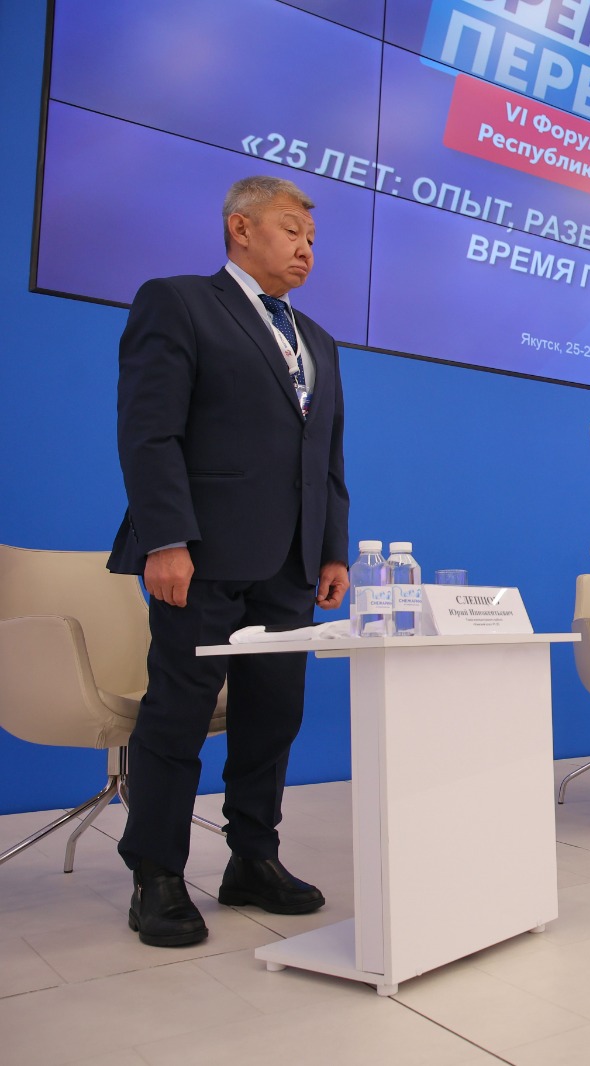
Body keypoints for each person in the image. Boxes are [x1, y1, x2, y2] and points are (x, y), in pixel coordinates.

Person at [109, 176, 350, 947]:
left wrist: (331, 548)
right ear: (241, 228)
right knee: (178, 714)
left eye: (312, 238)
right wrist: (165, 539)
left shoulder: (318, 340)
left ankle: (253, 858)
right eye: (290, 230)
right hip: (201, 554)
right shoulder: (179, 302)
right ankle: (156, 875)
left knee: (273, 716)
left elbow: (327, 456)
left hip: (289, 563)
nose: (305, 248)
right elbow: (150, 431)